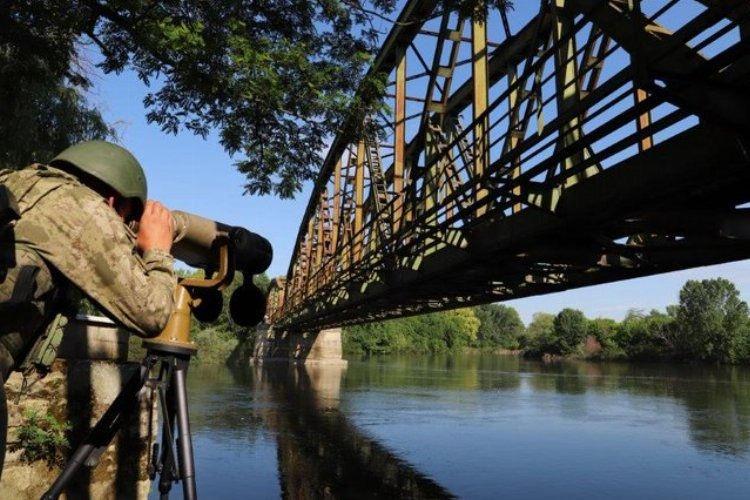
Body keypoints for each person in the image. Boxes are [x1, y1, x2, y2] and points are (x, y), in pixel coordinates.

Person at [0, 140, 178, 475]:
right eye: (126, 218)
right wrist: (158, 251)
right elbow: (151, 313)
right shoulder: (86, 209)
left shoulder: (15, 181)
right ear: (114, 200)